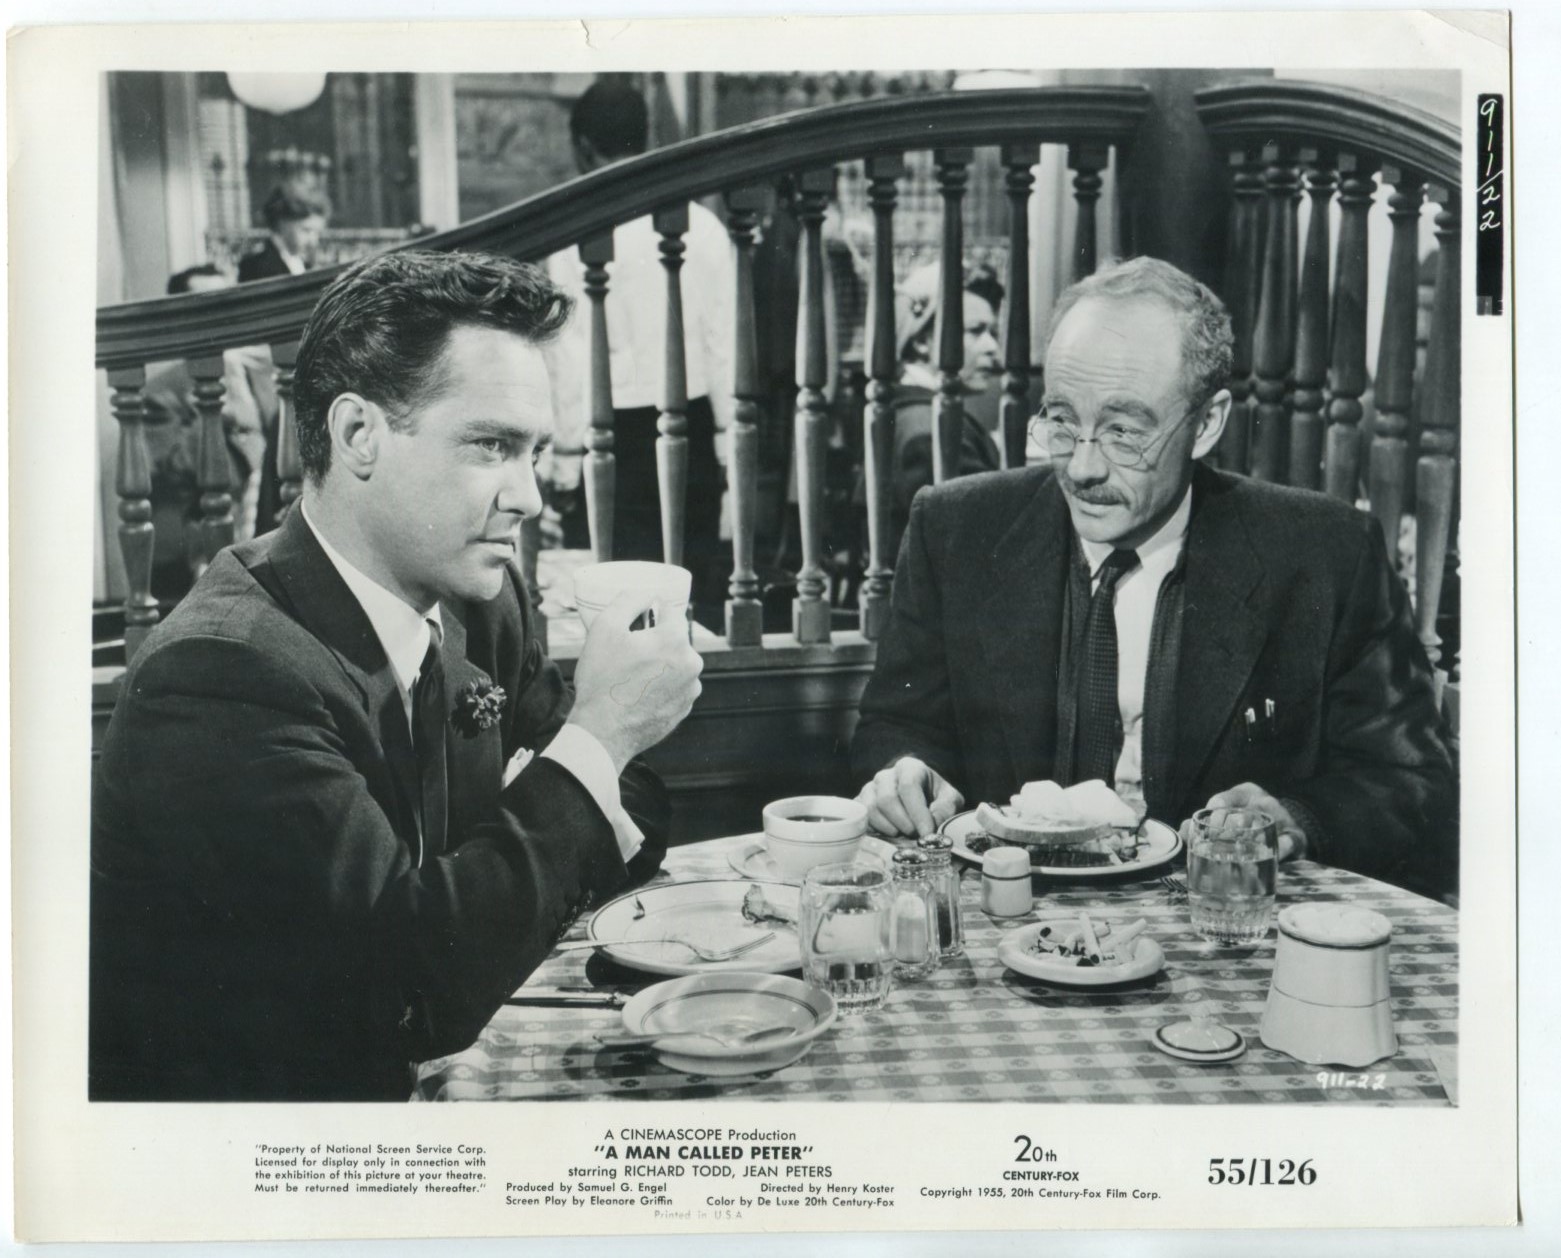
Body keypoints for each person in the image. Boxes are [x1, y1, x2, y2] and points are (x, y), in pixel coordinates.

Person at [91, 250, 703, 1101]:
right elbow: (405, 993)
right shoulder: (220, 675)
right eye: (491, 446)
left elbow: (631, 809)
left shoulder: (481, 601)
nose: (528, 497)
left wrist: (576, 772)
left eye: (532, 452)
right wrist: (597, 737)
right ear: (357, 436)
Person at [851, 256, 1456, 898]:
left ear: (1207, 423)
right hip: (1008, 918)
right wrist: (905, 773)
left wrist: (1299, 818)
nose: (1082, 468)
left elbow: (1413, 783)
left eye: (1124, 432)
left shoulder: (1325, 555)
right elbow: (896, 727)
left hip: (1221, 930)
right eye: (1062, 421)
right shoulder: (957, 531)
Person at [546, 80, 734, 620]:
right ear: (647, 137)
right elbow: (724, 346)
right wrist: (727, 446)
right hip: (693, 427)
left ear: (583, 147)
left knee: (616, 605)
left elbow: (570, 358)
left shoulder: (573, 236)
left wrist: (564, 461)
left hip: (611, 437)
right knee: (688, 598)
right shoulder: (704, 227)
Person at [141, 265, 277, 595]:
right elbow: (177, 471)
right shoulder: (161, 393)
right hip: (208, 548)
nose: (222, 317)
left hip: (275, 527)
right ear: (180, 320)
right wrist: (214, 411)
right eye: (207, 306)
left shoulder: (266, 376)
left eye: (228, 304)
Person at [886, 260, 1004, 549]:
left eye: (993, 333)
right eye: (975, 331)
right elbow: (982, 539)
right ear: (922, 342)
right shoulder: (928, 432)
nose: (992, 347)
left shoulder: (911, 413)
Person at [237, 182, 331, 282]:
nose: (313, 241)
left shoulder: (304, 265)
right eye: (306, 230)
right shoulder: (255, 267)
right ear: (283, 223)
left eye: (317, 233)